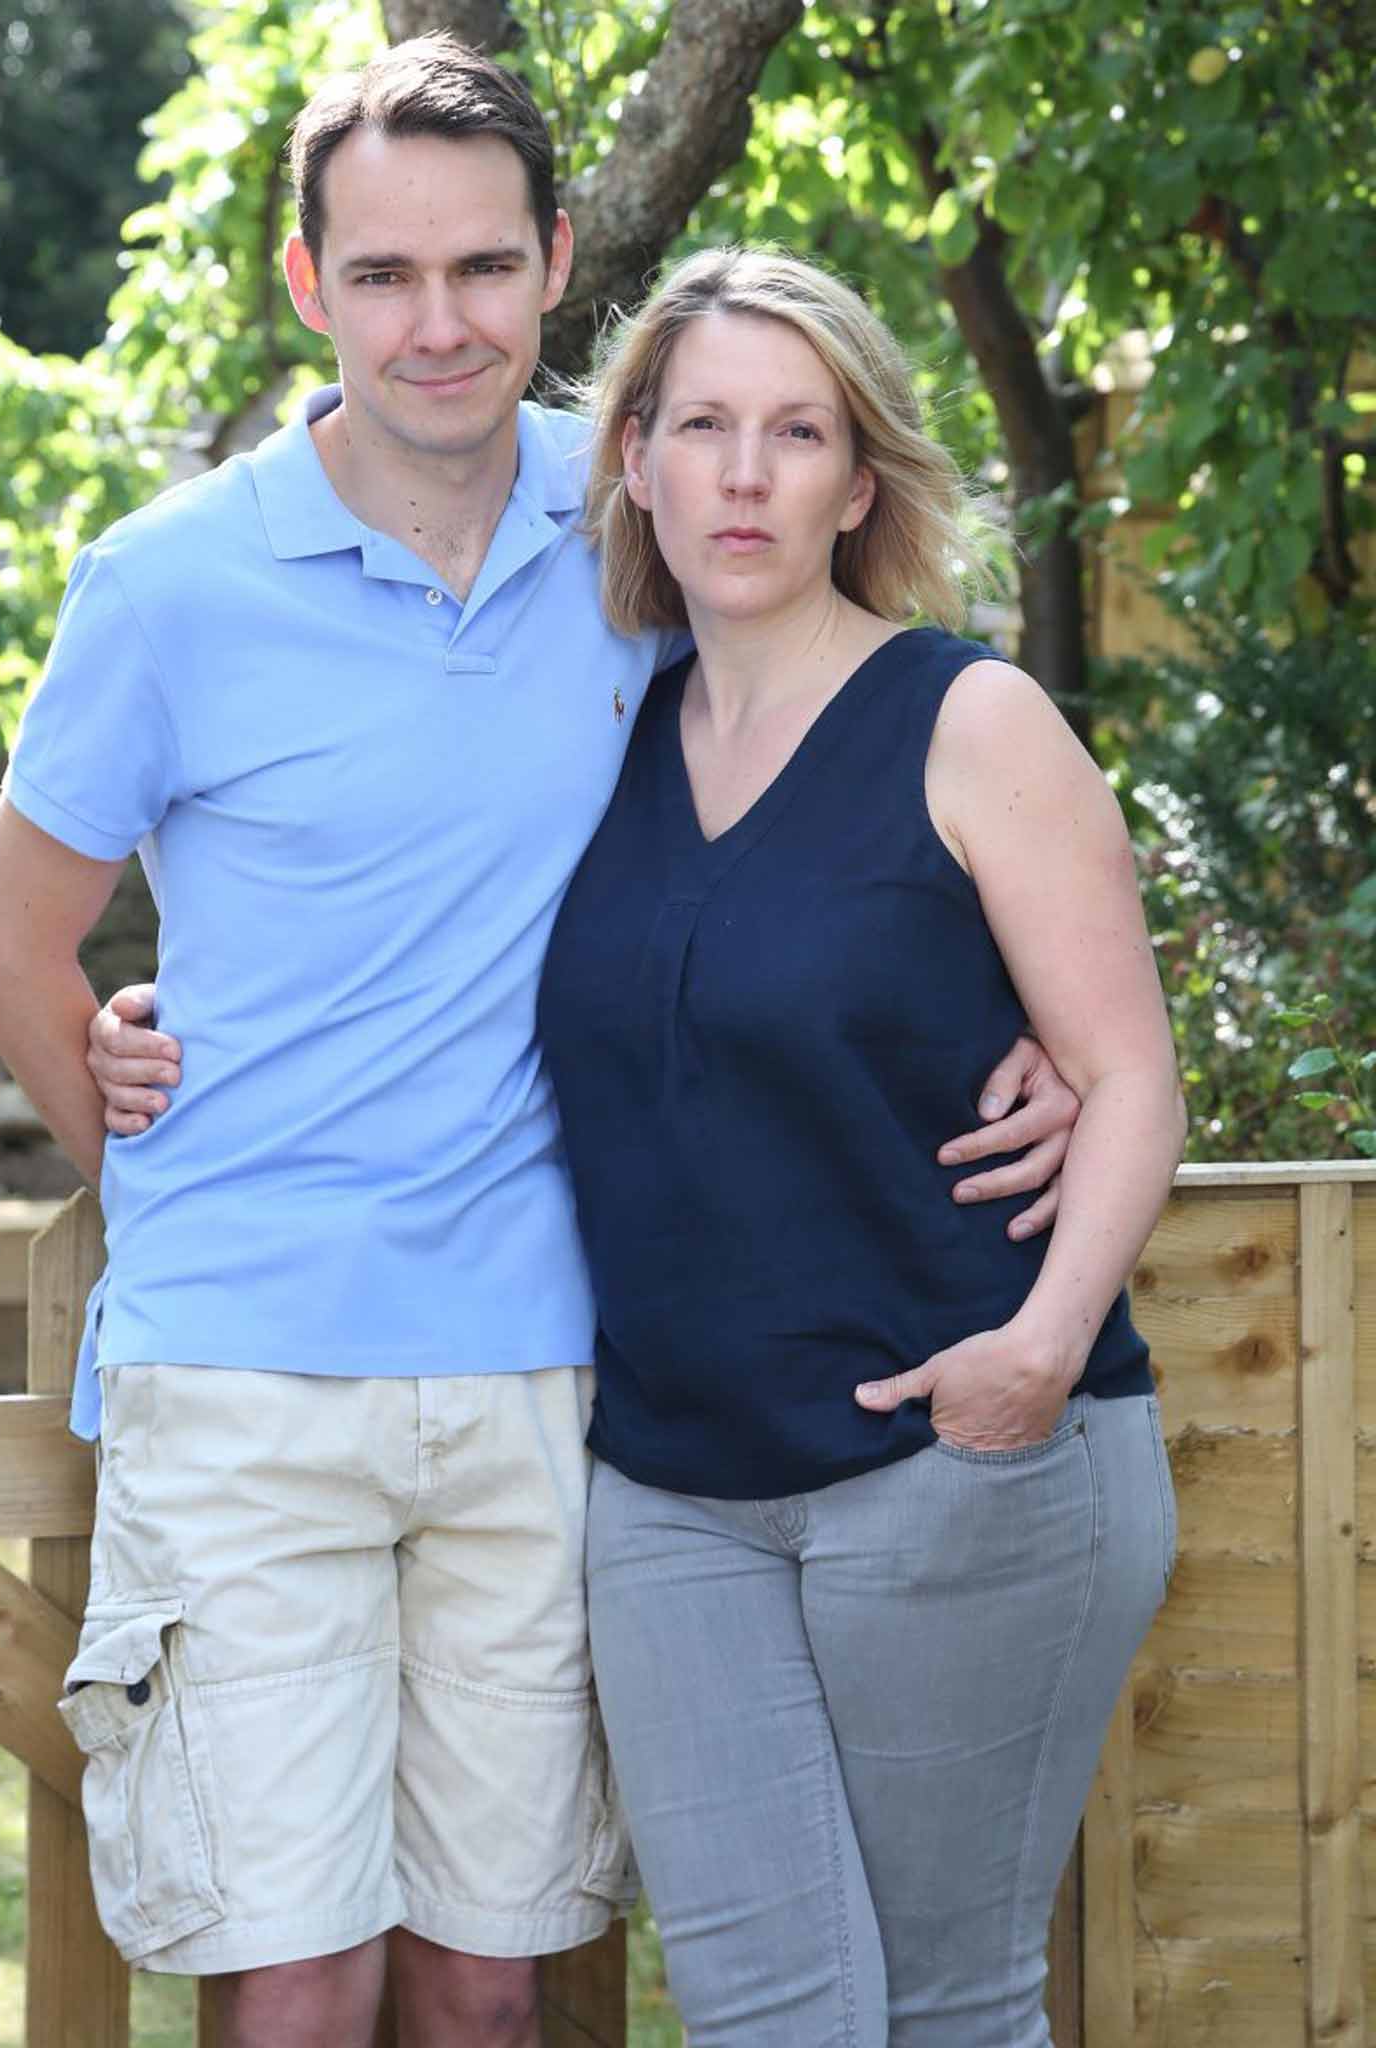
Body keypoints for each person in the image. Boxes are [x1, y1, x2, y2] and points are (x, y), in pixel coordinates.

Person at [0, 37, 1077, 2048]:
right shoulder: (165, 584)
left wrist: (1066, 1040)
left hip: (548, 1362)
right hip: (246, 1366)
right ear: (309, 286)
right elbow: (10, 940)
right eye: (383, 275)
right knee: (295, 1984)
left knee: (489, 1983)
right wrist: (159, 1155)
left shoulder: (646, 523)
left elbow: (883, 752)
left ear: (558, 261)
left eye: (481, 267)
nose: (438, 322)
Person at [529, 246, 1186, 2047]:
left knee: (950, 2008)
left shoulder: (966, 720)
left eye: (796, 432)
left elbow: (1131, 1077)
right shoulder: (604, 735)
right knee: (765, 2015)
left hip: (954, 1454)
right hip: (672, 1495)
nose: (745, 476)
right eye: (705, 427)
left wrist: (1036, 1356)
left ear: (857, 479)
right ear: (637, 462)